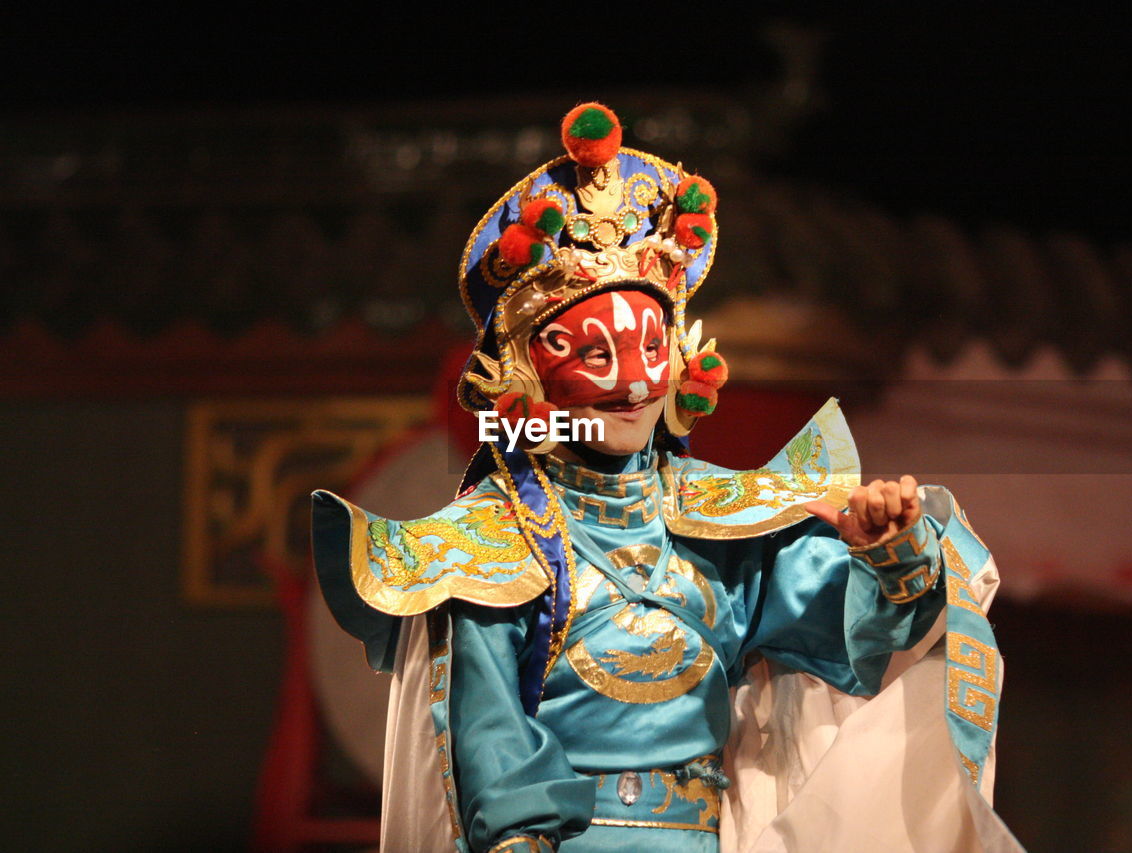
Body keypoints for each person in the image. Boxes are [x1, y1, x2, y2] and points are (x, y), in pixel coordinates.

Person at [313, 103, 1021, 852]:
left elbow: (862, 645)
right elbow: (489, 739)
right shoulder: (488, 539)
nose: (632, 384)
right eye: (593, 355)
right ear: (526, 373)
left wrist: (889, 551)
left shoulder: (718, 522)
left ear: (682, 357)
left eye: (651, 346)